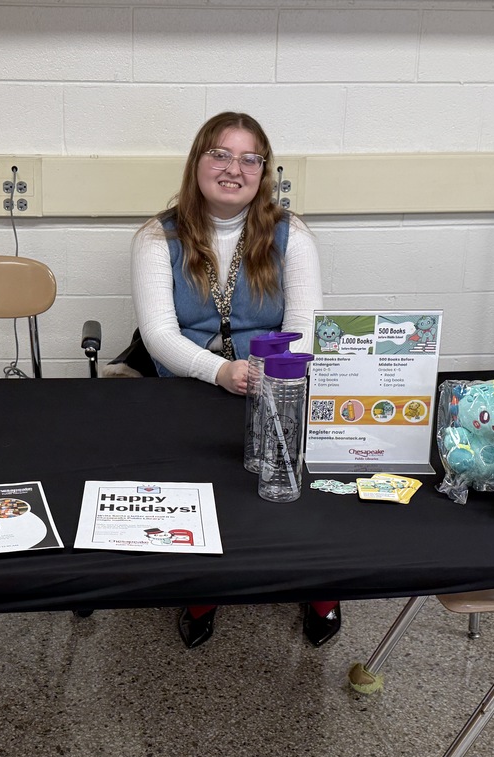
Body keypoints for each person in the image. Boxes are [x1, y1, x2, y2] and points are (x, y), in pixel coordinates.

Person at [130, 111, 341, 649]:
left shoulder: (292, 235)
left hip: (276, 382)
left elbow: (305, 327)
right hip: (189, 383)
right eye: (220, 154)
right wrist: (220, 371)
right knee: (206, 489)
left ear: (264, 171)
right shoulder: (159, 235)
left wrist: (269, 376)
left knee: (297, 478)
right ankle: (205, 589)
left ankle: (322, 585)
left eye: (250, 159)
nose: (234, 169)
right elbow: (157, 335)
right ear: (197, 161)